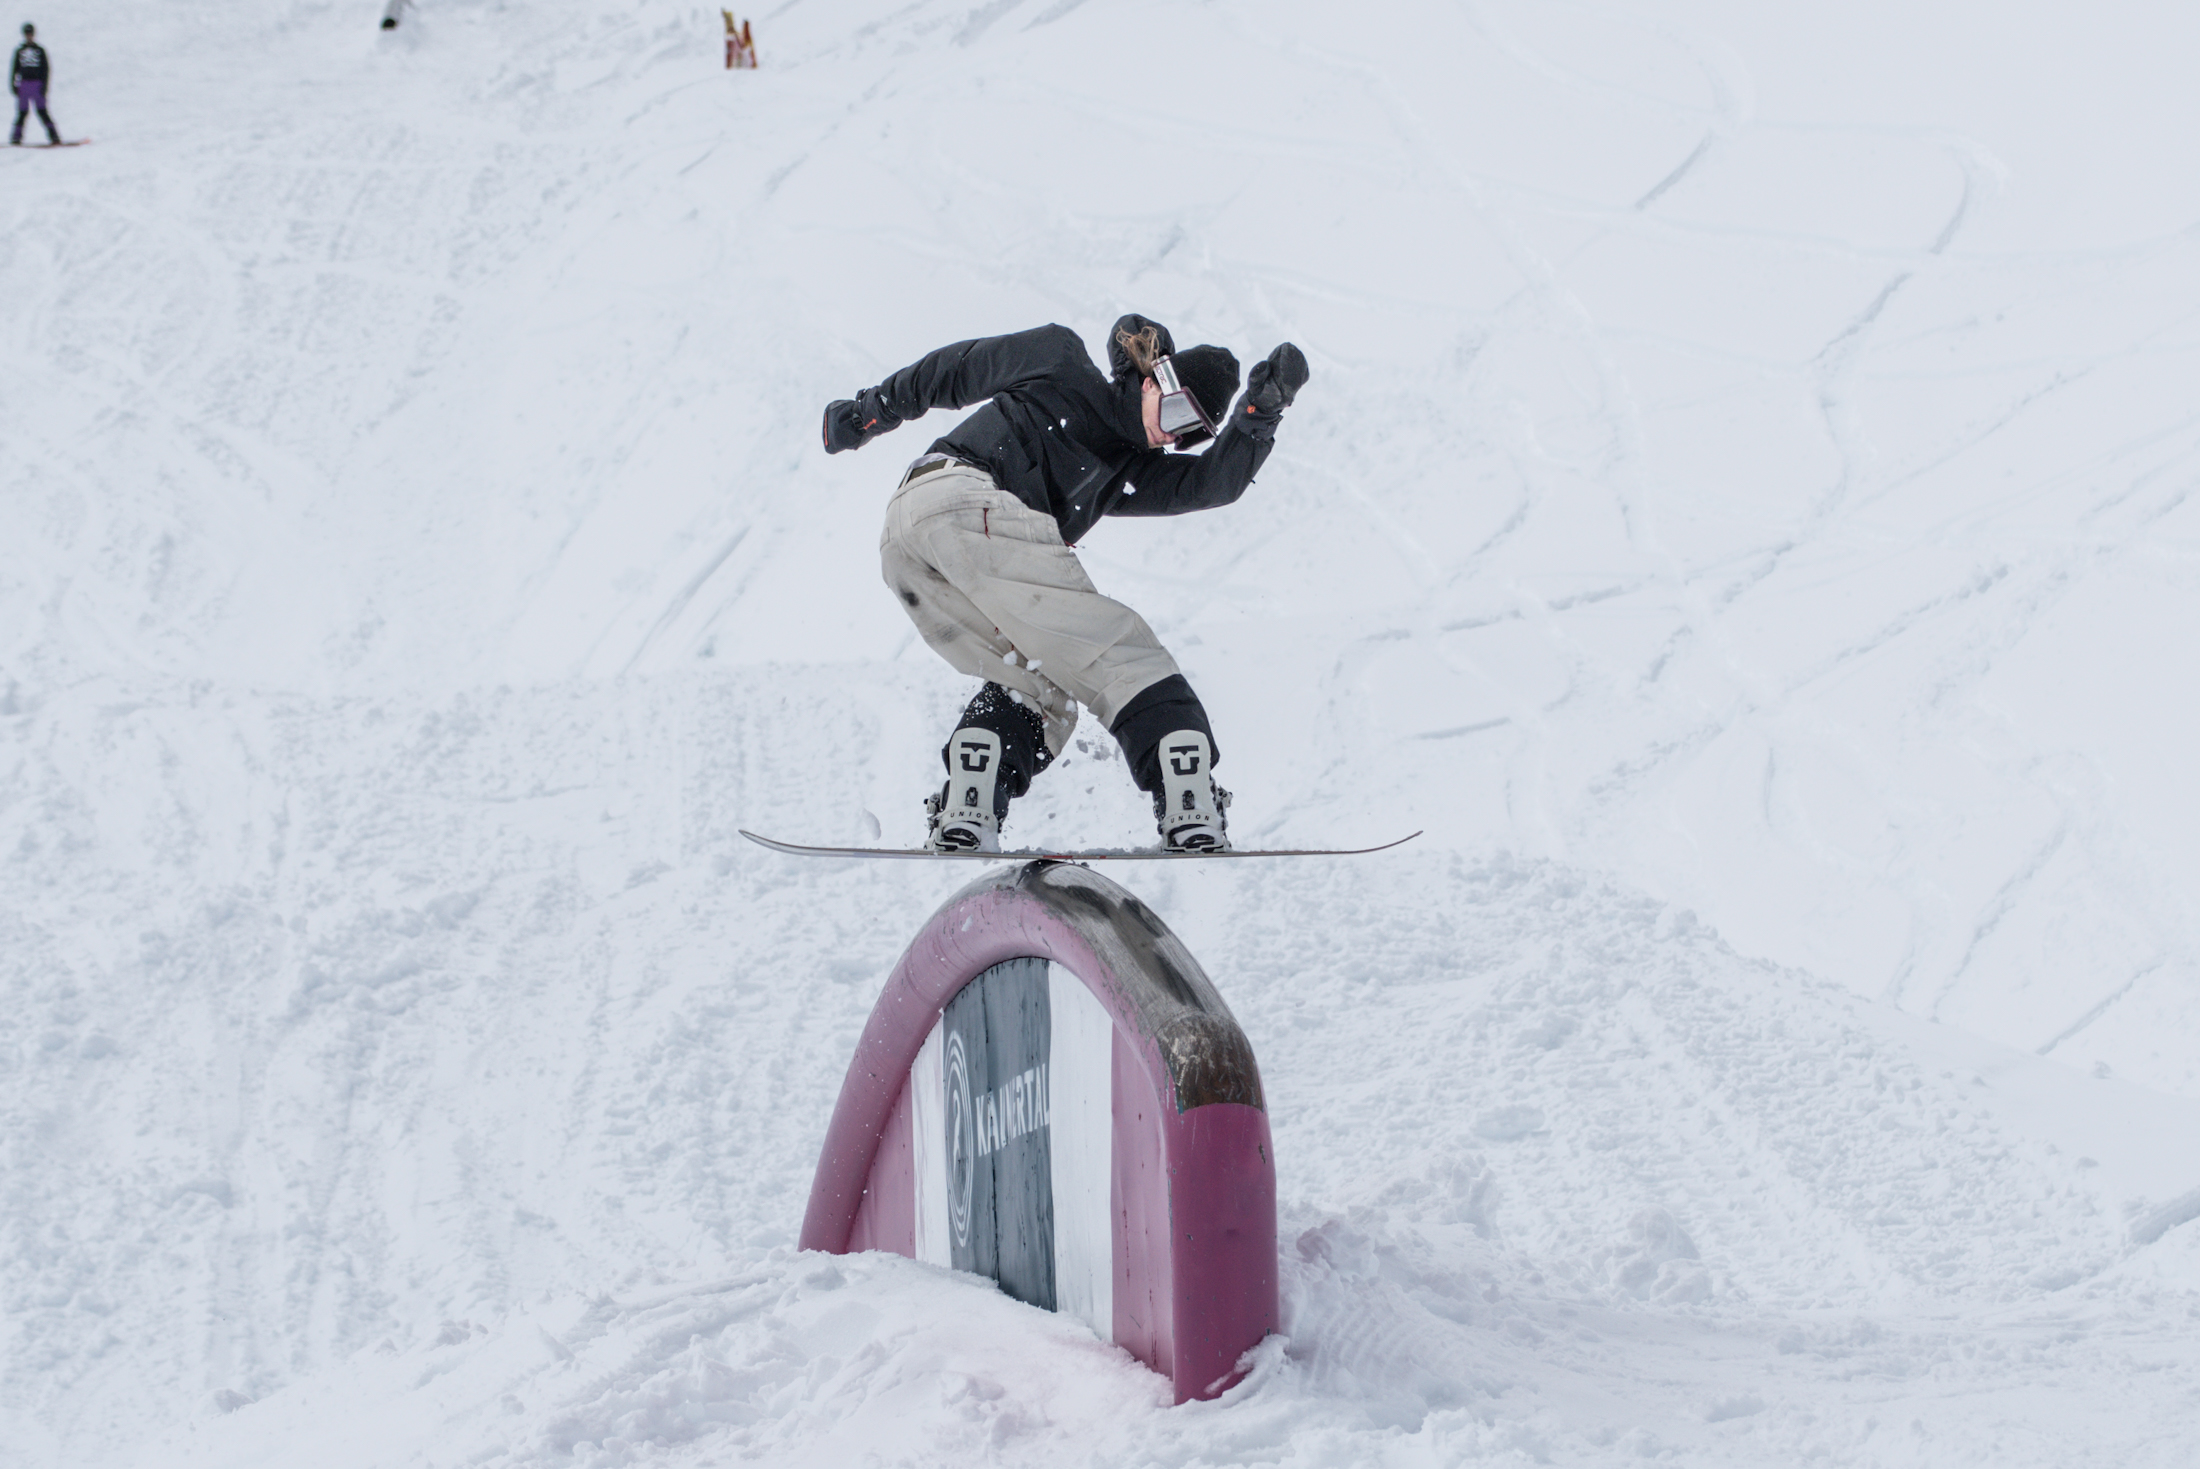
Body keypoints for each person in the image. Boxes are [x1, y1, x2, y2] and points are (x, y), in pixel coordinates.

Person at [823, 315, 1308, 852]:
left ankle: (970, 806)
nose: (1172, 435)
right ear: (1155, 382)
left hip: (907, 544)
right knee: (1125, 658)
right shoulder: (1061, 361)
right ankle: (1187, 802)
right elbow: (955, 371)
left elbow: (1205, 483)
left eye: (1189, 433)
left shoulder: (1125, 470)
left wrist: (1258, 416)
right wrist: (869, 411)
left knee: (1034, 686)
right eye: (1176, 412)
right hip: (967, 495)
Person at [10, 21, 58, 147]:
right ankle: (16, 138)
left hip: (37, 84)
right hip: (24, 84)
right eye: (27, 34)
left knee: (42, 111)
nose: (29, 36)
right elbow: (14, 69)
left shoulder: (40, 51)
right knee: (22, 112)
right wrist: (13, 85)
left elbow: (45, 69)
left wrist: (45, 86)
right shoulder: (19, 51)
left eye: (30, 34)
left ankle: (54, 136)